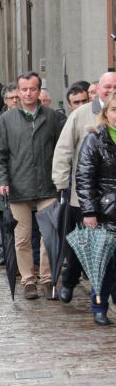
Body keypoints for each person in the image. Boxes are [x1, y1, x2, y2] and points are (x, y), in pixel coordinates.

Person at [0, 72, 66, 299]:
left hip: (48, 185)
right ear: (17, 92)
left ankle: (48, 279)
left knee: (49, 235)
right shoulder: (7, 120)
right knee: (21, 237)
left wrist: (62, 179)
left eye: (32, 89)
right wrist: (1, 181)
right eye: (24, 89)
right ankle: (28, 280)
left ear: (39, 91)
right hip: (18, 188)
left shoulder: (53, 118)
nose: (28, 93)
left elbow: (62, 151)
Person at [52, 72, 116, 305]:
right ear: (98, 88)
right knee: (84, 245)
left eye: (114, 86)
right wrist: (61, 184)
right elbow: (65, 150)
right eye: (107, 86)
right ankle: (69, 281)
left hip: (111, 198)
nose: (110, 90)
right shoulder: (81, 115)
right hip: (85, 195)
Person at [75, 93, 116, 325]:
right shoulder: (95, 139)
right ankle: (99, 307)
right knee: (103, 264)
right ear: (106, 113)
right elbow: (84, 177)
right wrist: (89, 212)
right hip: (105, 211)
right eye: (114, 110)